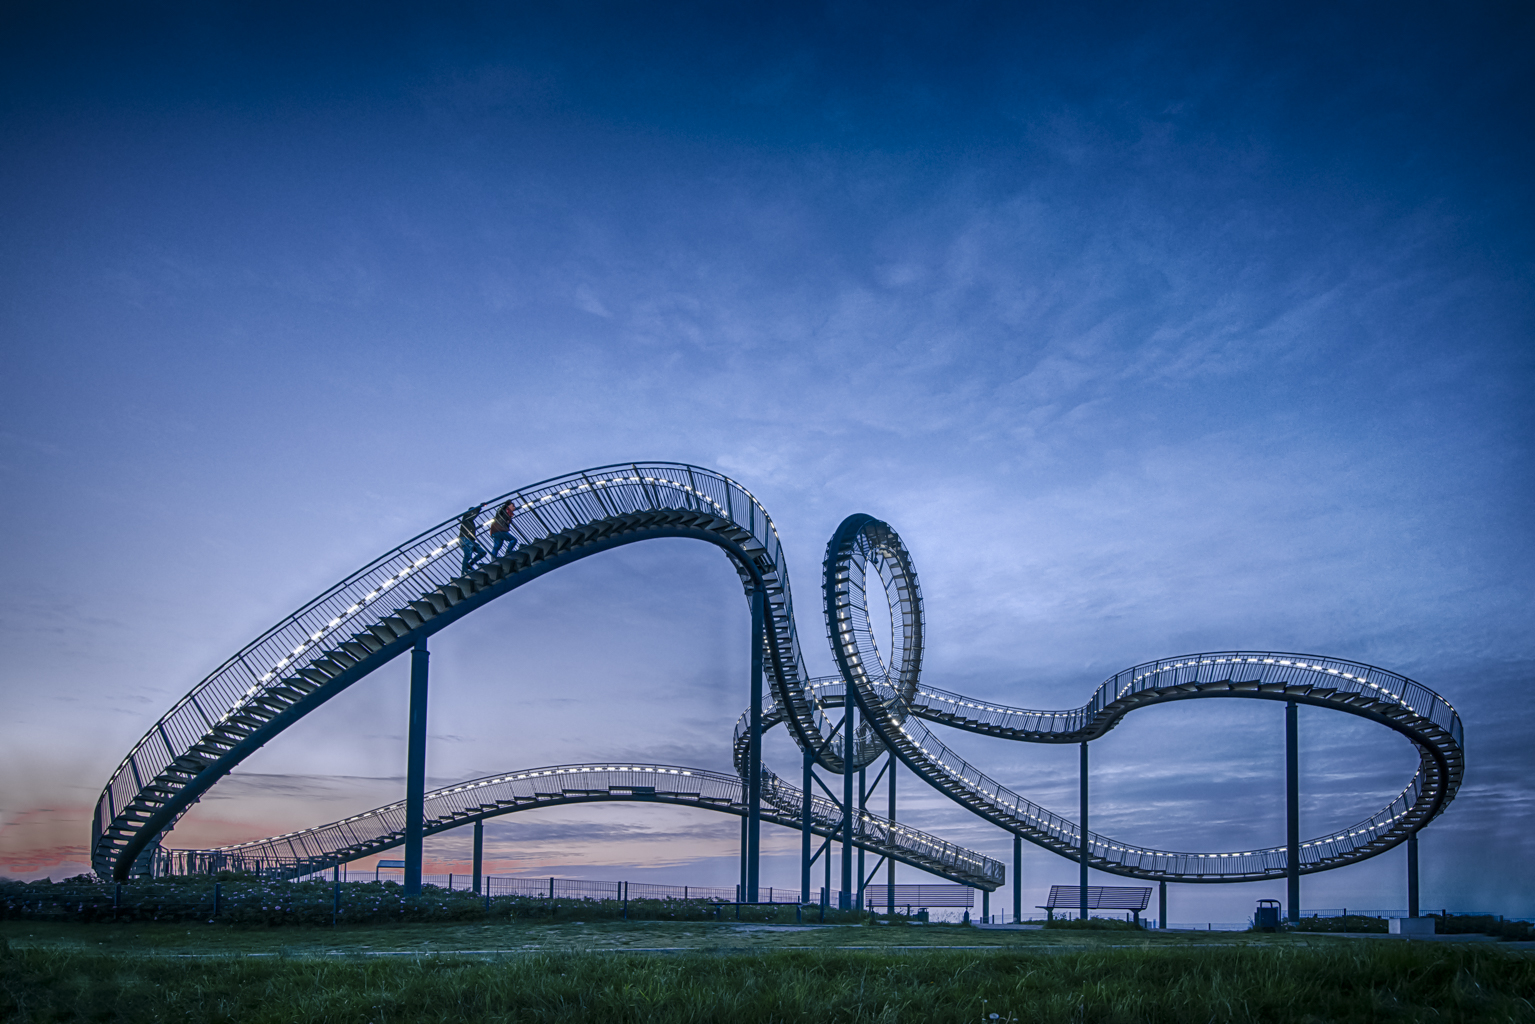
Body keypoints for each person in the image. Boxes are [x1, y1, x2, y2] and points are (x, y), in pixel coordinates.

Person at [459, 504, 487, 575]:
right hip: (465, 538)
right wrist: (479, 507)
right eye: (473, 511)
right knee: (468, 555)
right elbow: (473, 515)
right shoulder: (466, 517)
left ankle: (469, 565)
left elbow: (473, 515)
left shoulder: (470, 521)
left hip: (470, 539)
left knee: (482, 552)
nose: (474, 513)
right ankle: (464, 571)